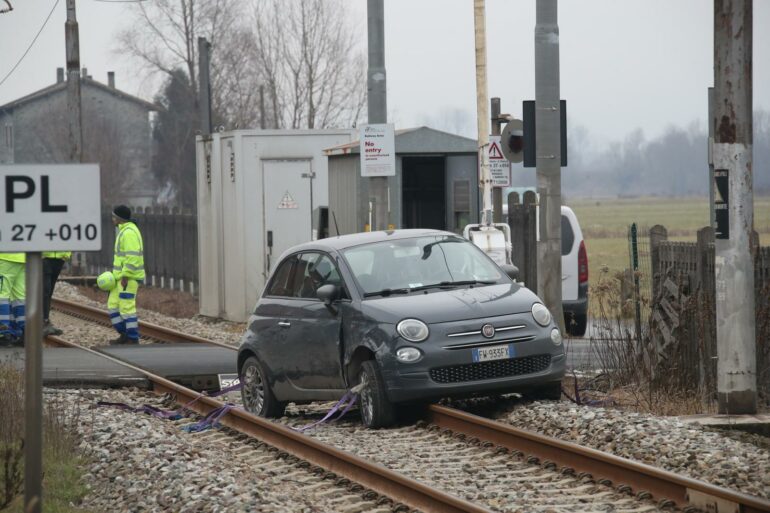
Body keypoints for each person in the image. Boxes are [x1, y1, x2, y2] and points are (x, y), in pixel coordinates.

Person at [108, 205, 145, 345]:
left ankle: (132, 338)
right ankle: (124, 334)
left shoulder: (129, 233)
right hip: (120, 278)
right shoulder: (124, 231)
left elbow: (132, 257)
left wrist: (126, 275)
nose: (112, 219)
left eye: (113, 216)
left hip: (128, 278)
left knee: (126, 307)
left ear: (119, 218)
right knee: (113, 305)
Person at [42, 251, 71, 336]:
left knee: (49, 291)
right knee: (45, 291)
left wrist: (66, 255)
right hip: (45, 258)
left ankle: (45, 321)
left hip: (59, 259)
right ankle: (44, 321)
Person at [0, 252, 25, 346]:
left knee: (1, 295)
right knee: (20, 297)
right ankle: (25, 332)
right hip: (23, 257)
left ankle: (3, 333)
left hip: (5, 257)